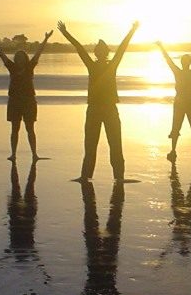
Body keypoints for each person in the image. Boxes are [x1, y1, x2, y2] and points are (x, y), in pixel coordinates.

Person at [58, 20, 139, 181]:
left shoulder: (111, 65)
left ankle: (118, 177)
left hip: (109, 109)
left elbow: (122, 47)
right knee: (91, 145)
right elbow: (79, 48)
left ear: (105, 52)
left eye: (102, 50)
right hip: (95, 109)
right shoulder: (92, 65)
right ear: (96, 53)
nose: (100, 52)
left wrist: (132, 30)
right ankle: (86, 176)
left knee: (115, 145)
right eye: (98, 50)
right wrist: (66, 33)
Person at [0, 29, 54, 162]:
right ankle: (13, 154)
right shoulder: (12, 67)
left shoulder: (30, 67)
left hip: (29, 101)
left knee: (30, 129)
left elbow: (38, 53)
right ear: (16, 59)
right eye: (18, 58)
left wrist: (46, 39)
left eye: (22, 58)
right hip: (14, 101)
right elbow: (1, 54)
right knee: (14, 129)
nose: (20, 60)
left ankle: (34, 154)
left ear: (25, 59)